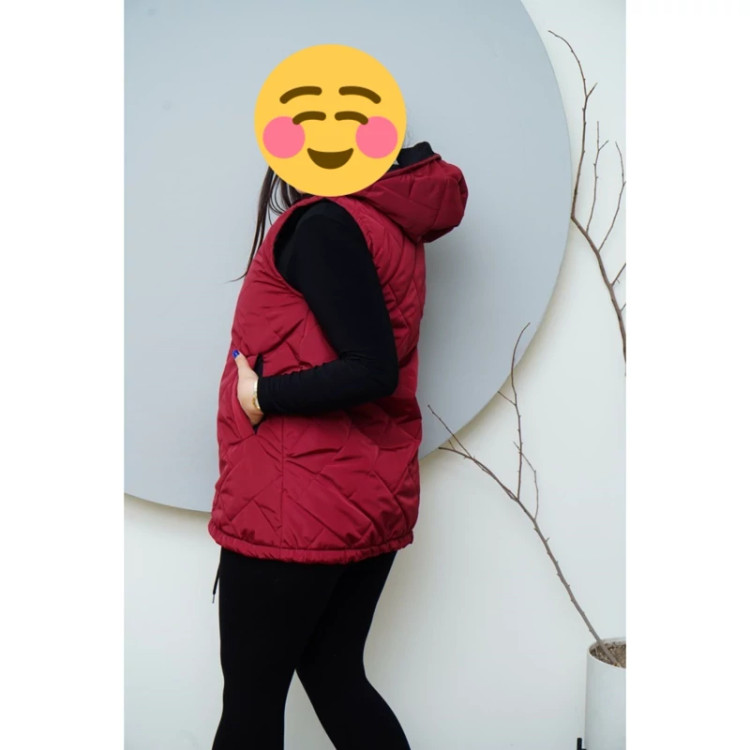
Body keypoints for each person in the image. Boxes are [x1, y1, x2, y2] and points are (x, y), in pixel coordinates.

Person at [209, 140, 468, 749]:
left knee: (251, 703)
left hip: (295, 504)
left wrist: (263, 395)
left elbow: (371, 368)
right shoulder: (384, 223)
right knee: (334, 675)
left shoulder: (326, 223)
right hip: (359, 494)